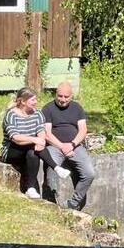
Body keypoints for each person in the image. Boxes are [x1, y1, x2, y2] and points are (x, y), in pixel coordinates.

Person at [0, 87, 69, 199]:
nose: (36, 102)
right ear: (23, 101)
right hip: (12, 151)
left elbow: (41, 132)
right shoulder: (11, 115)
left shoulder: (37, 114)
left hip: (29, 149)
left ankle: (31, 188)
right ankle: (56, 167)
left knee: (33, 153)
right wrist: (34, 140)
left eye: (36, 99)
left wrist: (40, 141)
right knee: (31, 146)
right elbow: (15, 138)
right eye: (32, 100)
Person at [41, 82, 96, 210]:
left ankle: (73, 203)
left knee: (89, 173)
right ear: (56, 94)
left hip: (75, 146)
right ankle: (51, 204)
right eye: (60, 96)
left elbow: (83, 130)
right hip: (54, 146)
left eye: (66, 97)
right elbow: (47, 134)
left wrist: (72, 145)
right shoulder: (48, 109)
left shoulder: (77, 108)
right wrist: (62, 147)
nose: (62, 100)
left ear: (71, 96)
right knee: (51, 169)